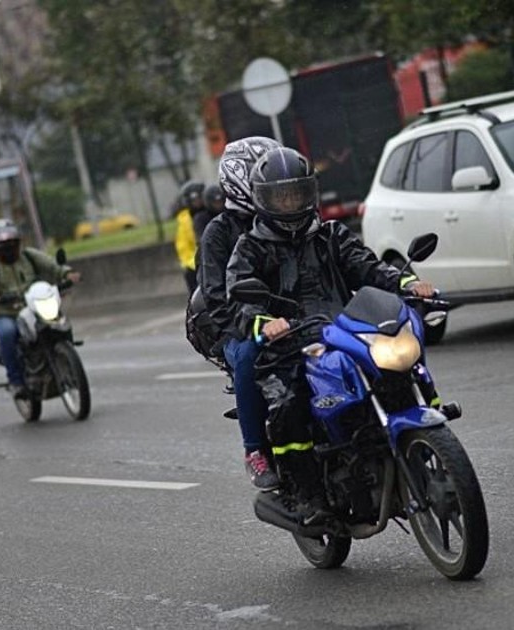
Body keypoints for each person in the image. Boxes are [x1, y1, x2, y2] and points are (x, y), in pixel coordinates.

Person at [225, 147, 435, 514]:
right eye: (281, 196)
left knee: (397, 365)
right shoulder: (251, 247)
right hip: (289, 342)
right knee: (290, 404)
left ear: (311, 193)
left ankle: (427, 421)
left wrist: (405, 283)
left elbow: (367, 268)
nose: (291, 203)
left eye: (297, 193)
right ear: (264, 199)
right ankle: (308, 494)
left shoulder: (331, 235)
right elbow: (239, 296)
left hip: (342, 330)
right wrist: (263, 321)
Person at [194, 136, 281, 490]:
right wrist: (253, 323)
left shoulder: (292, 217)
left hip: (295, 319)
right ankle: (255, 449)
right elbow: (217, 298)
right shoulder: (218, 232)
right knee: (249, 355)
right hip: (239, 328)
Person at [0, 218, 80, 398]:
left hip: (33, 307)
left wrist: (67, 273)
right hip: (6, 313)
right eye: (2, 245)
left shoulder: (29, 256)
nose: (7, 248)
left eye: (11, 243)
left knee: (57, 317)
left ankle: (66, 353)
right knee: (7, 333)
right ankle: (16, 381)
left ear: (18, 242)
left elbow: (51, 265)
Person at [175, 181, 205, 294]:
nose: (197, 202)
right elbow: (183, 247)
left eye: (199, 198)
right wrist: (194, 263)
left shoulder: (211, 213)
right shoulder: (184, 219)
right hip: (196, 263)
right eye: (193, 200)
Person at [191, 183, 223, 248]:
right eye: (215, 203)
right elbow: (201, 240)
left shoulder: (228, 214)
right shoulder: (201, 218)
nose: (218, 205)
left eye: (220, 201)